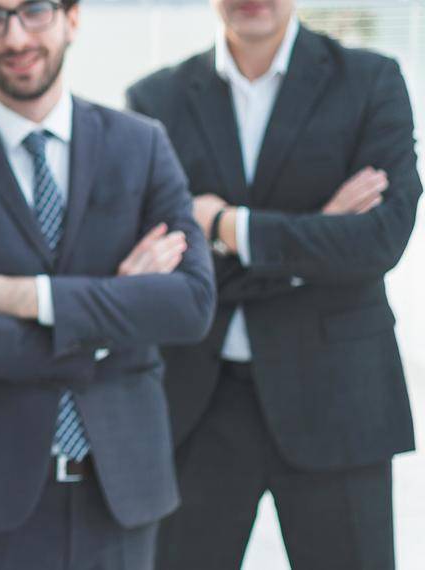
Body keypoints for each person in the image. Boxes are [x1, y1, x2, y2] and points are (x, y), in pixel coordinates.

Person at [0, 0, 216, 567]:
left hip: (121, 497)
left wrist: (36, 298)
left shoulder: (141, 145)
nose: (17, 35)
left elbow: (190, 304)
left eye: (34, 11)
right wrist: (116, 312)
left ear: (71, 17)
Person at [126, 1, 419, 567]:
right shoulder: (154, 100)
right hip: (196, 405)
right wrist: (320, 233)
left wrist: (225, 225)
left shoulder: (370, 80)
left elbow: (380, 241)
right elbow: (161, 262)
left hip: (338, 399)